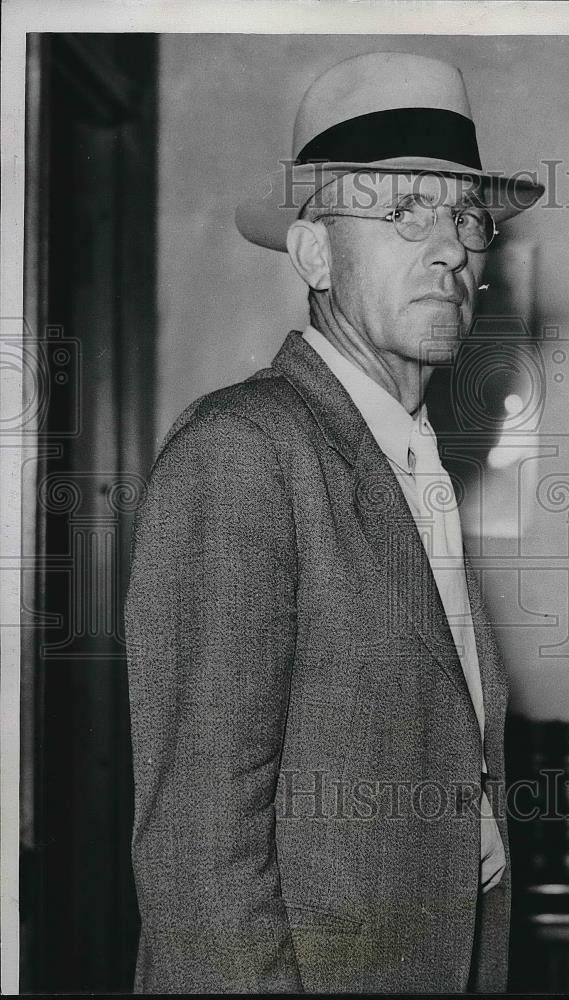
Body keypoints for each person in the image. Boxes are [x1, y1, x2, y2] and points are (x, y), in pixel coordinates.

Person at [125, 50, 543, 993]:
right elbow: (199, 851)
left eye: (462, 217)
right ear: (314, 253)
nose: (449, 249)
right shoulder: (244, 450)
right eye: (399, 212)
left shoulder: (405, 455)